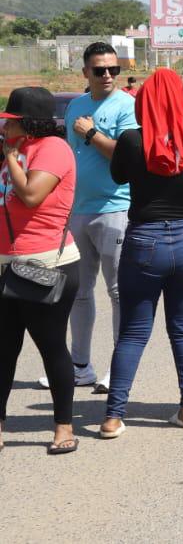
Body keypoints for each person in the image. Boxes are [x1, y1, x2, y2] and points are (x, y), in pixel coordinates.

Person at [99, 69, 183, 438]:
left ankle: (113, 417)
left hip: (145, 242)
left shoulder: (131, 141)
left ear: (144, 101)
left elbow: (118, 177)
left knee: (133, 332)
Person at [53, 41, 140, 394]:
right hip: (78, 209)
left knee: (119, 291)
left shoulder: (126, 105)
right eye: (100, 69)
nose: (108, 75)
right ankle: (80, 365)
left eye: (113, 70)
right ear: (85, 72)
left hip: (116, 207)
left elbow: (125, 154)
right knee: (78, 292)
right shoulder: (75, 105)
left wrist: (91, 133)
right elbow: (66, 158)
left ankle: (118, 370)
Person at [0, 87, 81, 454]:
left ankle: (63, 427)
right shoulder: (9, 151)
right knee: (4, 350)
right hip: (5, 264)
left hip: (46, 264)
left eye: (10, 121)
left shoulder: (53, 150)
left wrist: (11, 158)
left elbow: (31, 195)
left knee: (51, 347)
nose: (5, 127)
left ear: (27, 124)